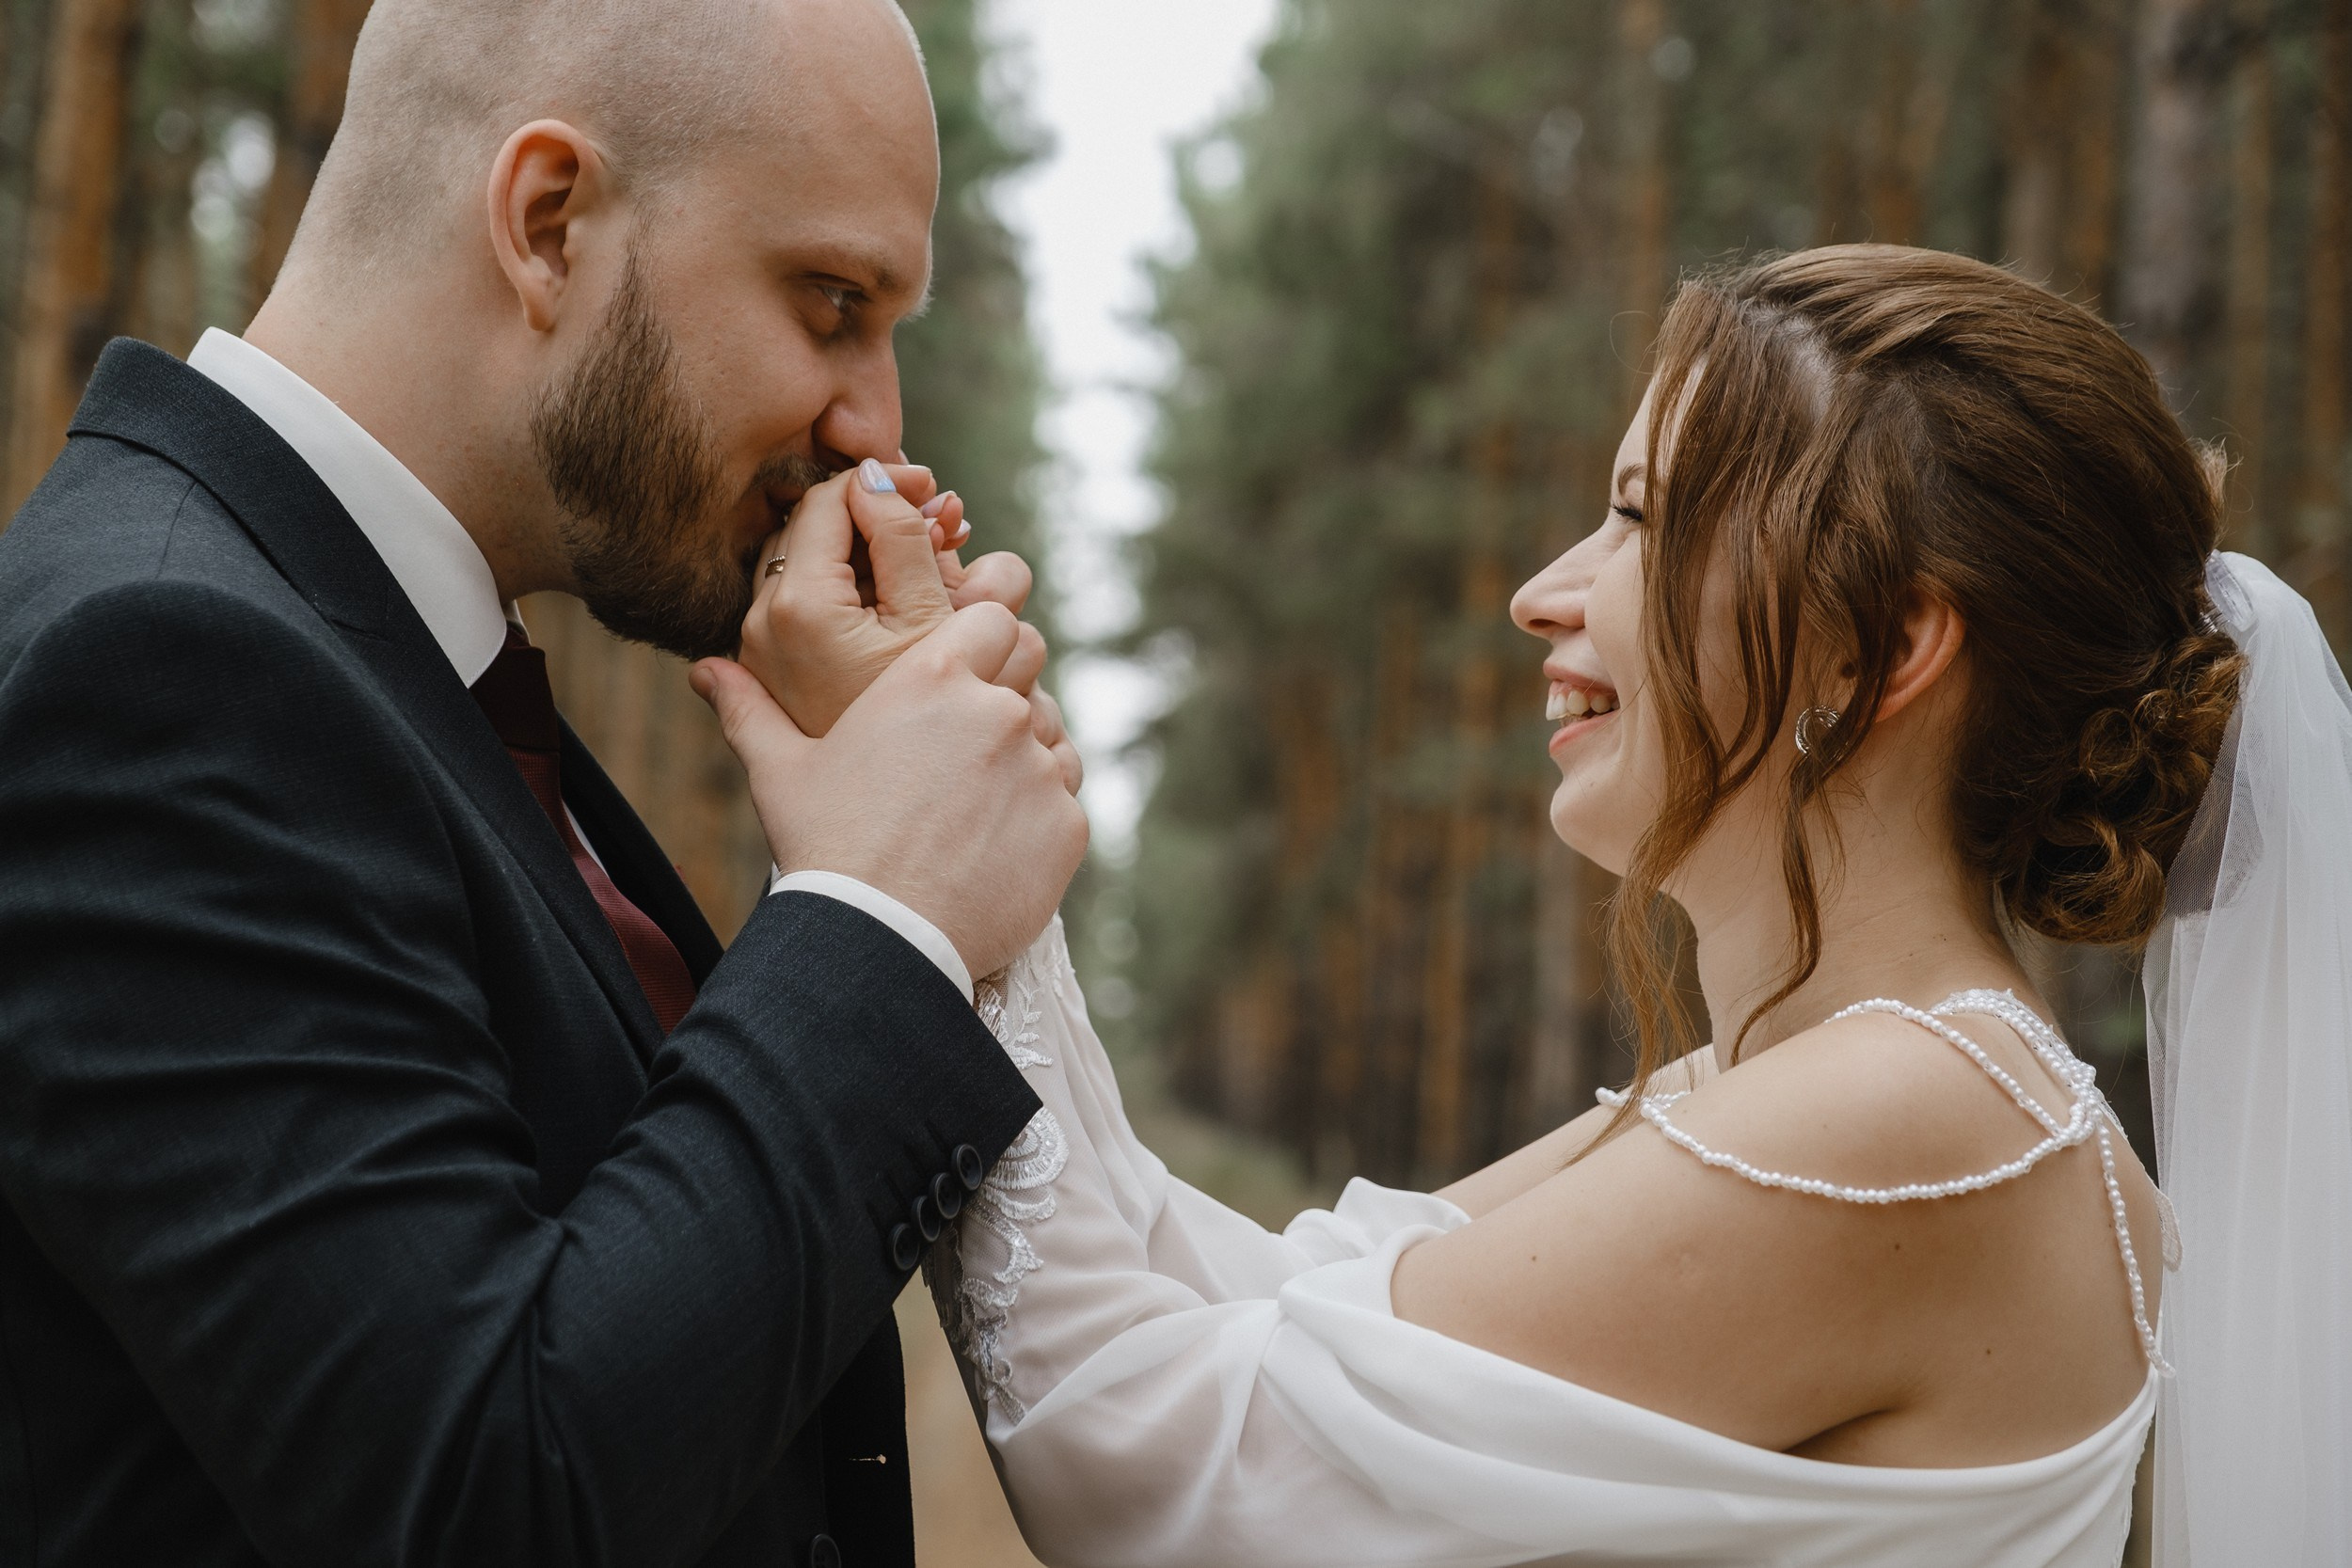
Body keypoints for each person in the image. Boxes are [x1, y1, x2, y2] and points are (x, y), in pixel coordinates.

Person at [908, 246, 2352, 1565]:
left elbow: (1148, 1471)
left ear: (1879, 649)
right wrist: (966, 850)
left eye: (1636, 521)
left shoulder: (1927, 1119)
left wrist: (922, 858)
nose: (1543, 593)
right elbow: (1264, 1302)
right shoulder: (1834, 1084)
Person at [0, 1, 1085, 1564]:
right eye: (833, 300)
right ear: (548, 221)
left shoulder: (397, 677)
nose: (876, 423)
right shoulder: (158, 674)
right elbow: (486, 1493)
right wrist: (884, 911)